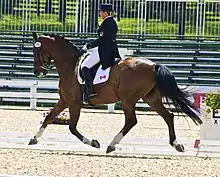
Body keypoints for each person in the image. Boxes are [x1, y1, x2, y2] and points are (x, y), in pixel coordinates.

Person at [80, 3, 121, 101]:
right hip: (108, 49)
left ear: (106, 13)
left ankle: (90, 91)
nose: (99, 14)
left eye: (101, 12)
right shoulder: (110, 22)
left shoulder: (108, 23)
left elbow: (102, 40)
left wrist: (89, 45)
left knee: (85, 66)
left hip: (105, 51)